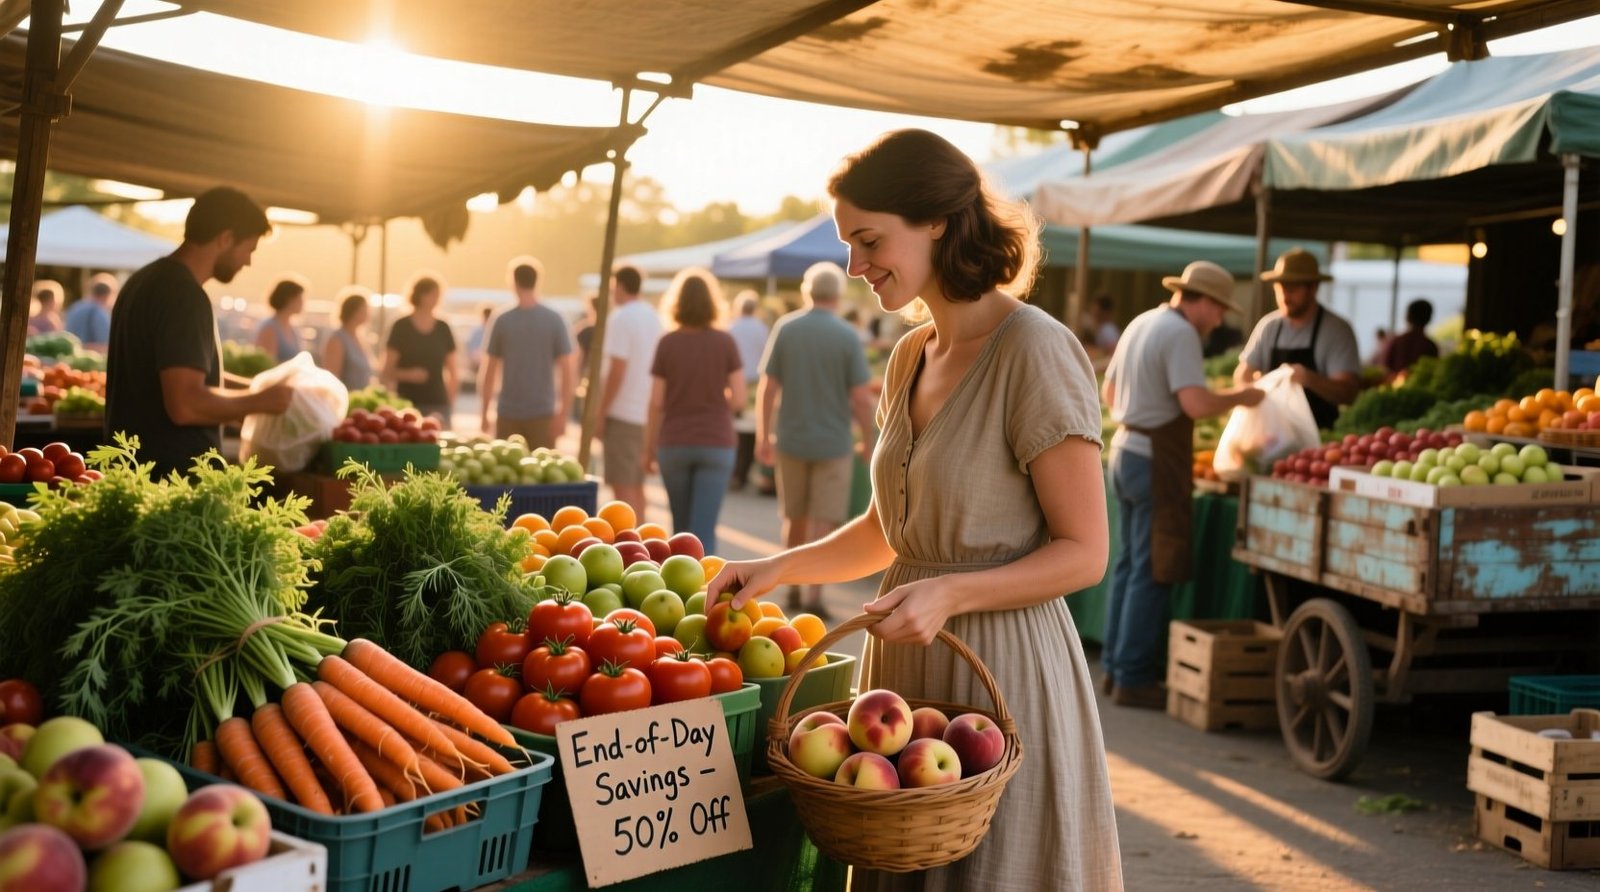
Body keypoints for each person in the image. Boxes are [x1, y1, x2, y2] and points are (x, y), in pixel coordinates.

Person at [708, 129, 1121, 889]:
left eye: (868, 241)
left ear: (936, 220)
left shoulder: (1034, 349)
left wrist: (950, 593)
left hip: (1002, 670)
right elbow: (887, 529)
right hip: (903, 667)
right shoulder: (909, 356)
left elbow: (1085, 552)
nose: (853, 266)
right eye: (848, 245)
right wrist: (776, 567)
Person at [1100, 261, 1265, 709]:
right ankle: (1133, 676)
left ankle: (1115, 668)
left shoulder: (1142, 322)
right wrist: (1243, 397)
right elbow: (1194, 404)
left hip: (1124, 451)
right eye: (1220, 309)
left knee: (1130, 565)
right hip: (1154, 460)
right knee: (1152, 568)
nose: (1220, 319)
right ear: (1204, 302)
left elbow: (1109, 395)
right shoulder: (1181, 334)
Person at [106, 186, 293, 478]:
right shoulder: (185, 296)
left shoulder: (144, 280)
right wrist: (261, 402)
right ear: (225, 238)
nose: (248, 262)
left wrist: (260, 387)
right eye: (249, 249)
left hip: (136, 473)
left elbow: (187, 375)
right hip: (170, 483)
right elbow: (185, 404)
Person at [757, 261, 874, 618]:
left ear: (807, 291)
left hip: (791, 439)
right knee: (824, 522)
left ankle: (790, 586)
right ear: (838, 294)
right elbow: (860, 397)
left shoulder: (787, 328)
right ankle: (813, 596)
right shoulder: (847, 336)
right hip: (834, 443)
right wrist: (869, 439)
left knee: (794, 517)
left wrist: (764, 435)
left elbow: (768, 387)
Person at [645, 268, 744, 554]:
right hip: (716, 442)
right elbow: (739, 399)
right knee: (704, 531)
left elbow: (656, 402)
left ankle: (679, 579)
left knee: (681, 532)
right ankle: (708, 580)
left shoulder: (667, 342)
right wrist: (715, 401)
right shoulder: (725, 342)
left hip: (674, 442)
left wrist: (648, 448)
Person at [1233, 247, 1361, 430]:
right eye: (1280, 287)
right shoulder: (1268, 326)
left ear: (1314, 288)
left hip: (1319, 436)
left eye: (1292, 288)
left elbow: (1348, 393)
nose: (1285, 295)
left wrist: (1309, 378)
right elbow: (1242, 375)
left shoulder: (1336, 330)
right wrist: (1258, 387)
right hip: (1271, 433)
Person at [477, 258, 574, 448]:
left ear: (512, 281)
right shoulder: (554, 319)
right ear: (538, 281)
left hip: (509, 414)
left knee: (506, 466)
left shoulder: (501, 319)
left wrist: (484, 413)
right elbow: (567, 370)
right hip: (543, 414)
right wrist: (563, 413)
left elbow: (489, 370)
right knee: (543, 466)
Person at [595, 264, 662, 516]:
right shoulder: (653, 316)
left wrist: (601, 413)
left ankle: (633, 538)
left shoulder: (621, 317)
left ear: (621, 286)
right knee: (636, 486)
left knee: (622, 489)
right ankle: (643, 535)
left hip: (623, 412)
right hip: (645, 412)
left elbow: (617, 370)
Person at [382, 273, 457, 423]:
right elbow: (387, 370)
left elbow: (453, 370)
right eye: (432, 294)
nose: (436, 299)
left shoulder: (443, 328)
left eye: (438, 295)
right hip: (406, 405)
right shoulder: (401, 327)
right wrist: (408, 375)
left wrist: (450, 402)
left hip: (438, 405)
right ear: (420, 295)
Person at [727, 289, 770, 491]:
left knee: (735, 428)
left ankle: (736, 472)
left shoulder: (732, 328)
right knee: (751, 429)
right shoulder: (761, 329)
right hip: (754, 383)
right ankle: (744, 471)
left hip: (734, 383)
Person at [321, 288, 376, 392]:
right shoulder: (337, 339)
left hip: (361, 397)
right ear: (354, 311)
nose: (368, 313)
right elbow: (332, 376)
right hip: (346, 397)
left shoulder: (361, 338)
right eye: (365, 309)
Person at [1381, 299, 1439, 376]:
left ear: (1407, 317)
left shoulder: (1396, 341)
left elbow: (1385, 369)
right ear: (1429, 318)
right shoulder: (1430, 346)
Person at [256, 276, 306, 364]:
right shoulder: (270, 327)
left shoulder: (293, 328)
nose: (303, 302)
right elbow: (268, 363)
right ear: (289, 299)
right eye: (299, 298)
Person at [64, 274, 115, 352]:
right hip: (89, 356)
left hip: (70, 354)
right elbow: (105, 344)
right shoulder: (99, 312)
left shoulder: (75, 307)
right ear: (108, 295)